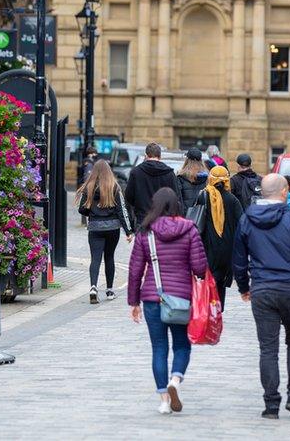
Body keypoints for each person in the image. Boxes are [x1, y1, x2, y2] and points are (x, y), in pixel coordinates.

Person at [233, 173, 290, 419]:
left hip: (263, 290)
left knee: (268, 348)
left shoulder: (247, 219)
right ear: (285, 192)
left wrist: (244, 287)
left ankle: (271, 404)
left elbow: (239, 260)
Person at [128, 188, 207, 415]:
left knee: (159, 348)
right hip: (181, 298)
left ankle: (164, 400)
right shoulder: (189, 229)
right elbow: (199, 267)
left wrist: (134, 302)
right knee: (182, 344)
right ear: (176, 205)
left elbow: (135, 270)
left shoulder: (145, 232)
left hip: (153, 298)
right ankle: (176, 380)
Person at [77, 159, 133, 304]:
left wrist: (92, 211)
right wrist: (128, 231)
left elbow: (82, 209)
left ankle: (94, 287)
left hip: (95, 227)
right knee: (109, 258)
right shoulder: (114, 186)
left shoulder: (89, 187)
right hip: (112, 228)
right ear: (109, 172)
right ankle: (109, 290)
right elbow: (122, 211)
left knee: (95, 259)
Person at [193, 166, 243, 309]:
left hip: (207, 246)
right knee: (220, 282)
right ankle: (217, 310)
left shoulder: (203, 195)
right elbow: (242, 222)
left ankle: (205, 309)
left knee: (207, 279)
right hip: (227, 247)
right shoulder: (232, 200)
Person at [124, 142, 178, 227]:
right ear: (160, 156)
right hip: (163, 220)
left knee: (142, 240)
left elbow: (128, 196)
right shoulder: (169, 173)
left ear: (146, 155)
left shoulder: (136, 172)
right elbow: (176, 198)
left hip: (142, 218)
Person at [176, 148, 209, 214]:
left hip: (185, 217)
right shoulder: (207, 178)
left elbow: (178, 199)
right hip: (201, 217)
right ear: (201, 160)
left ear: (187, 160)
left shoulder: (180, 178)